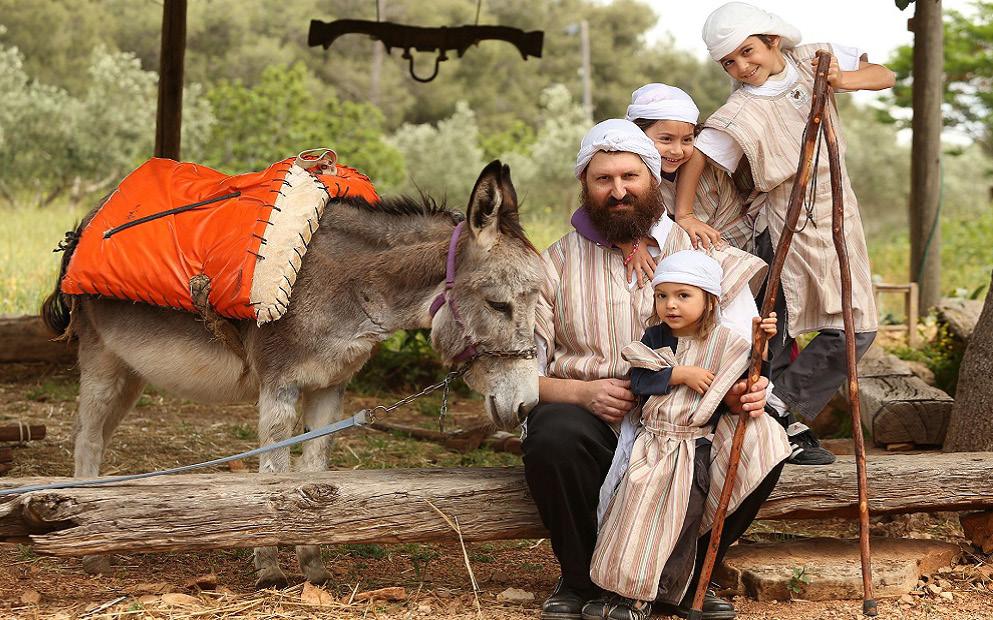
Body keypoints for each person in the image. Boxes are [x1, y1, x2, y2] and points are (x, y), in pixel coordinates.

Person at [525, 118, 785, 620]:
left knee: (765, 439)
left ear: (651, 178)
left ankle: (683, 576)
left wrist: (744, 392)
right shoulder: (552, 263)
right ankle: (582, 582)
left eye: (630, 176)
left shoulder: (707, 255)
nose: (618, 190)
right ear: (586, 185)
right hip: (597, 417)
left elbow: (741, 352)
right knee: (554, 432)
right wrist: (580, 394)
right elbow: (518, 375)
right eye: (603, 179)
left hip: (689, 418)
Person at [678, 2, 896, 464]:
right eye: (729, 62)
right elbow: (700, 157)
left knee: (857, 328)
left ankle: (778, 410)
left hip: (838, 212)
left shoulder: (812, 58)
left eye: (748, 51)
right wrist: (684, 214)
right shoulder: (740, 110)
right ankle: (775, 424)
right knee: (778, 330)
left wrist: (841, 81)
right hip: (784, 223)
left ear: (772, 40)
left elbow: (885, 74)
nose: (741, 66)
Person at [573, 82, 827, 465]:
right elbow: (592, 218)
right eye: (664, 139)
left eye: (686, 139)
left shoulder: (699, 170)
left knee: (762, 334)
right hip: (693, 270)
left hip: (735, 254)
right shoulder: (627, 177)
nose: (676, 149)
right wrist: (633, 243)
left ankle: (778, 414)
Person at [582, 251, 783, 620]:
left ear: (709, 300)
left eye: (683, 296)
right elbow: (640, 379)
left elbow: (742, 379)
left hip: (695, 447)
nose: (670, 305)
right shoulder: (655, 338)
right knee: (637, 517)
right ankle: (623, 595)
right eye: (662, 296)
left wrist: (761, 345)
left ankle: (672, 592)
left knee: (685, 520)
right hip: (653, 446)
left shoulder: (725, 342)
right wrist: (679, 375)